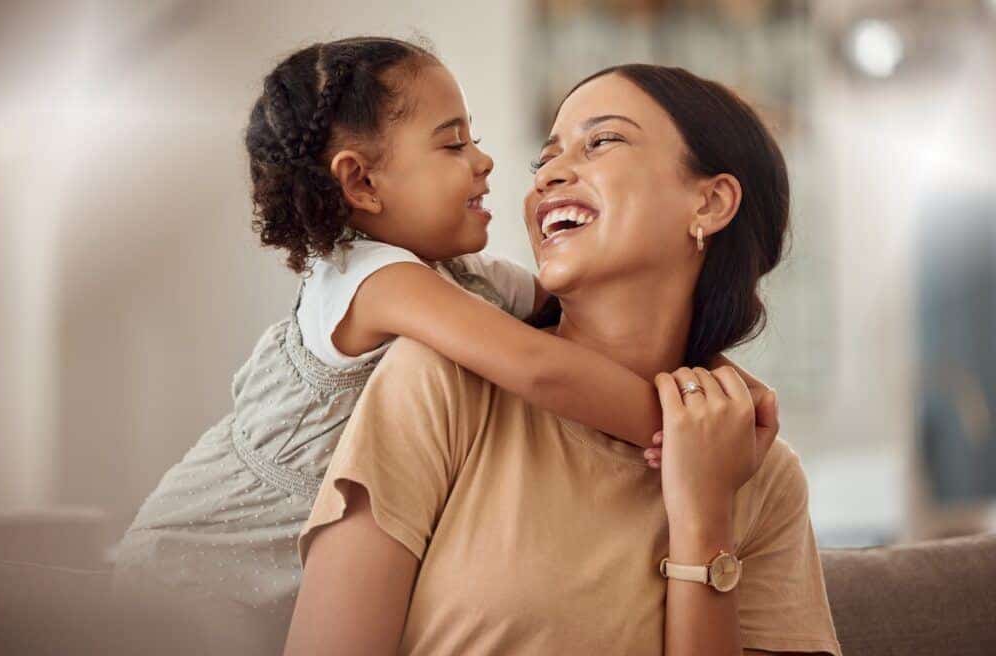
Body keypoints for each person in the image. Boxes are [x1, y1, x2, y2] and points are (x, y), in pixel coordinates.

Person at [112, 38, 764, 655]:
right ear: (362, 183)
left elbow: (584, 318)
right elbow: (540, 367)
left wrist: (719, 378)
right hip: (187, 577)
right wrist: (693, 430)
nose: (485, 162)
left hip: (280, 585)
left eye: (474, 138)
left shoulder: (469, 283)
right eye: (452, 144)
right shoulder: (373, 280)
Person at [286, 64, 841, 655]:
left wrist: (705, 517)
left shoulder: (764, 476)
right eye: (543, 159)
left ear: (709, 202)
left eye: (601, 141)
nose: (548, 174)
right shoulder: (439, 381)